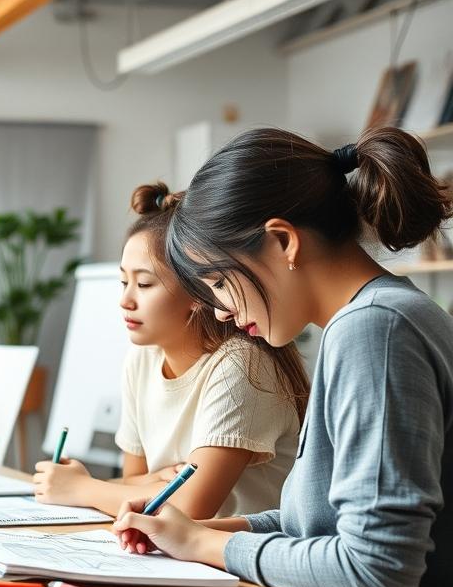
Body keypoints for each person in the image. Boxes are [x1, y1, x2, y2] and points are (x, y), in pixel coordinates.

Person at [113, 126, 453, 587]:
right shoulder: (370, 321)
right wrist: (194, 531)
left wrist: (203, 547)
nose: (220, 312)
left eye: (220, 282)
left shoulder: (374, 330)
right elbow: (315, 523)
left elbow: (377, 570)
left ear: (282, 241)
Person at [32, 182, 308, 518]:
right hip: (175, 553)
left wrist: (80, 488)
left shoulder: (242, 364)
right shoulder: (142, 360)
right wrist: (147, 485)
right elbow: (135, 479)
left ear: (196, 291)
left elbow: (192, 507)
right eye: (123, 282)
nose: (125, 300)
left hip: (239, 562)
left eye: (144, 284)